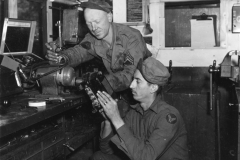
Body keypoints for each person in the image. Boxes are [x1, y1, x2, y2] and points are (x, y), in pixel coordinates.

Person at [45, 0, 152, 117]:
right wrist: (61, 58)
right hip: (119, 92)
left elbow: (129, 76)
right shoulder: (92, 38)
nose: (93, 28)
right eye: (89, 23)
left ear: (109, 17)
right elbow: (78, 52)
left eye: (97, 22)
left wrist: (97, 83)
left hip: (145, 96)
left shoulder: (131, 37)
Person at [93, 57, 189, 160]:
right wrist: (108, 120)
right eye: (133, 79)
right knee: (99, 157)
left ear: (153, 88)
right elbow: (107, 150)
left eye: (137, 81)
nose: (131, 85)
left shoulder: (168, 117)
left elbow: (146, 157)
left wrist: (116, 119)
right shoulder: (134, 113)